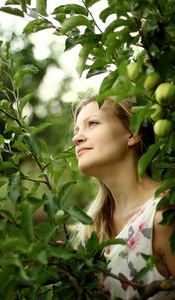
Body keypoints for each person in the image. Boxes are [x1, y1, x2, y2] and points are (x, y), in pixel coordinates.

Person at [72, 96, 175, 299]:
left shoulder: (164, 215)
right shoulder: (91, 233)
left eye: (92, 123)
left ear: (132, 133)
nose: (77, 138)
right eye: (76, 131)